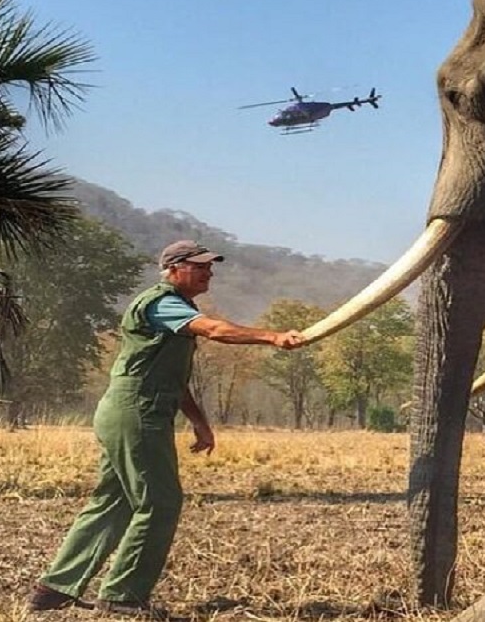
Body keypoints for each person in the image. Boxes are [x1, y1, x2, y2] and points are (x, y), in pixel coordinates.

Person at [27, 239, 304, 619]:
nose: (210, 272)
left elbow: (175, 379)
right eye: (200, 265)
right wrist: (272, 337)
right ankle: (122, 595)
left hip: (133, 411)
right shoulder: (161, 303)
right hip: (135, 411)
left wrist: (200, 423)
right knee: (160, 501)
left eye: (210, 266)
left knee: (114, 500)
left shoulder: (178, 307)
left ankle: (54, 588)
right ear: (174, 269)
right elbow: (216, 330)